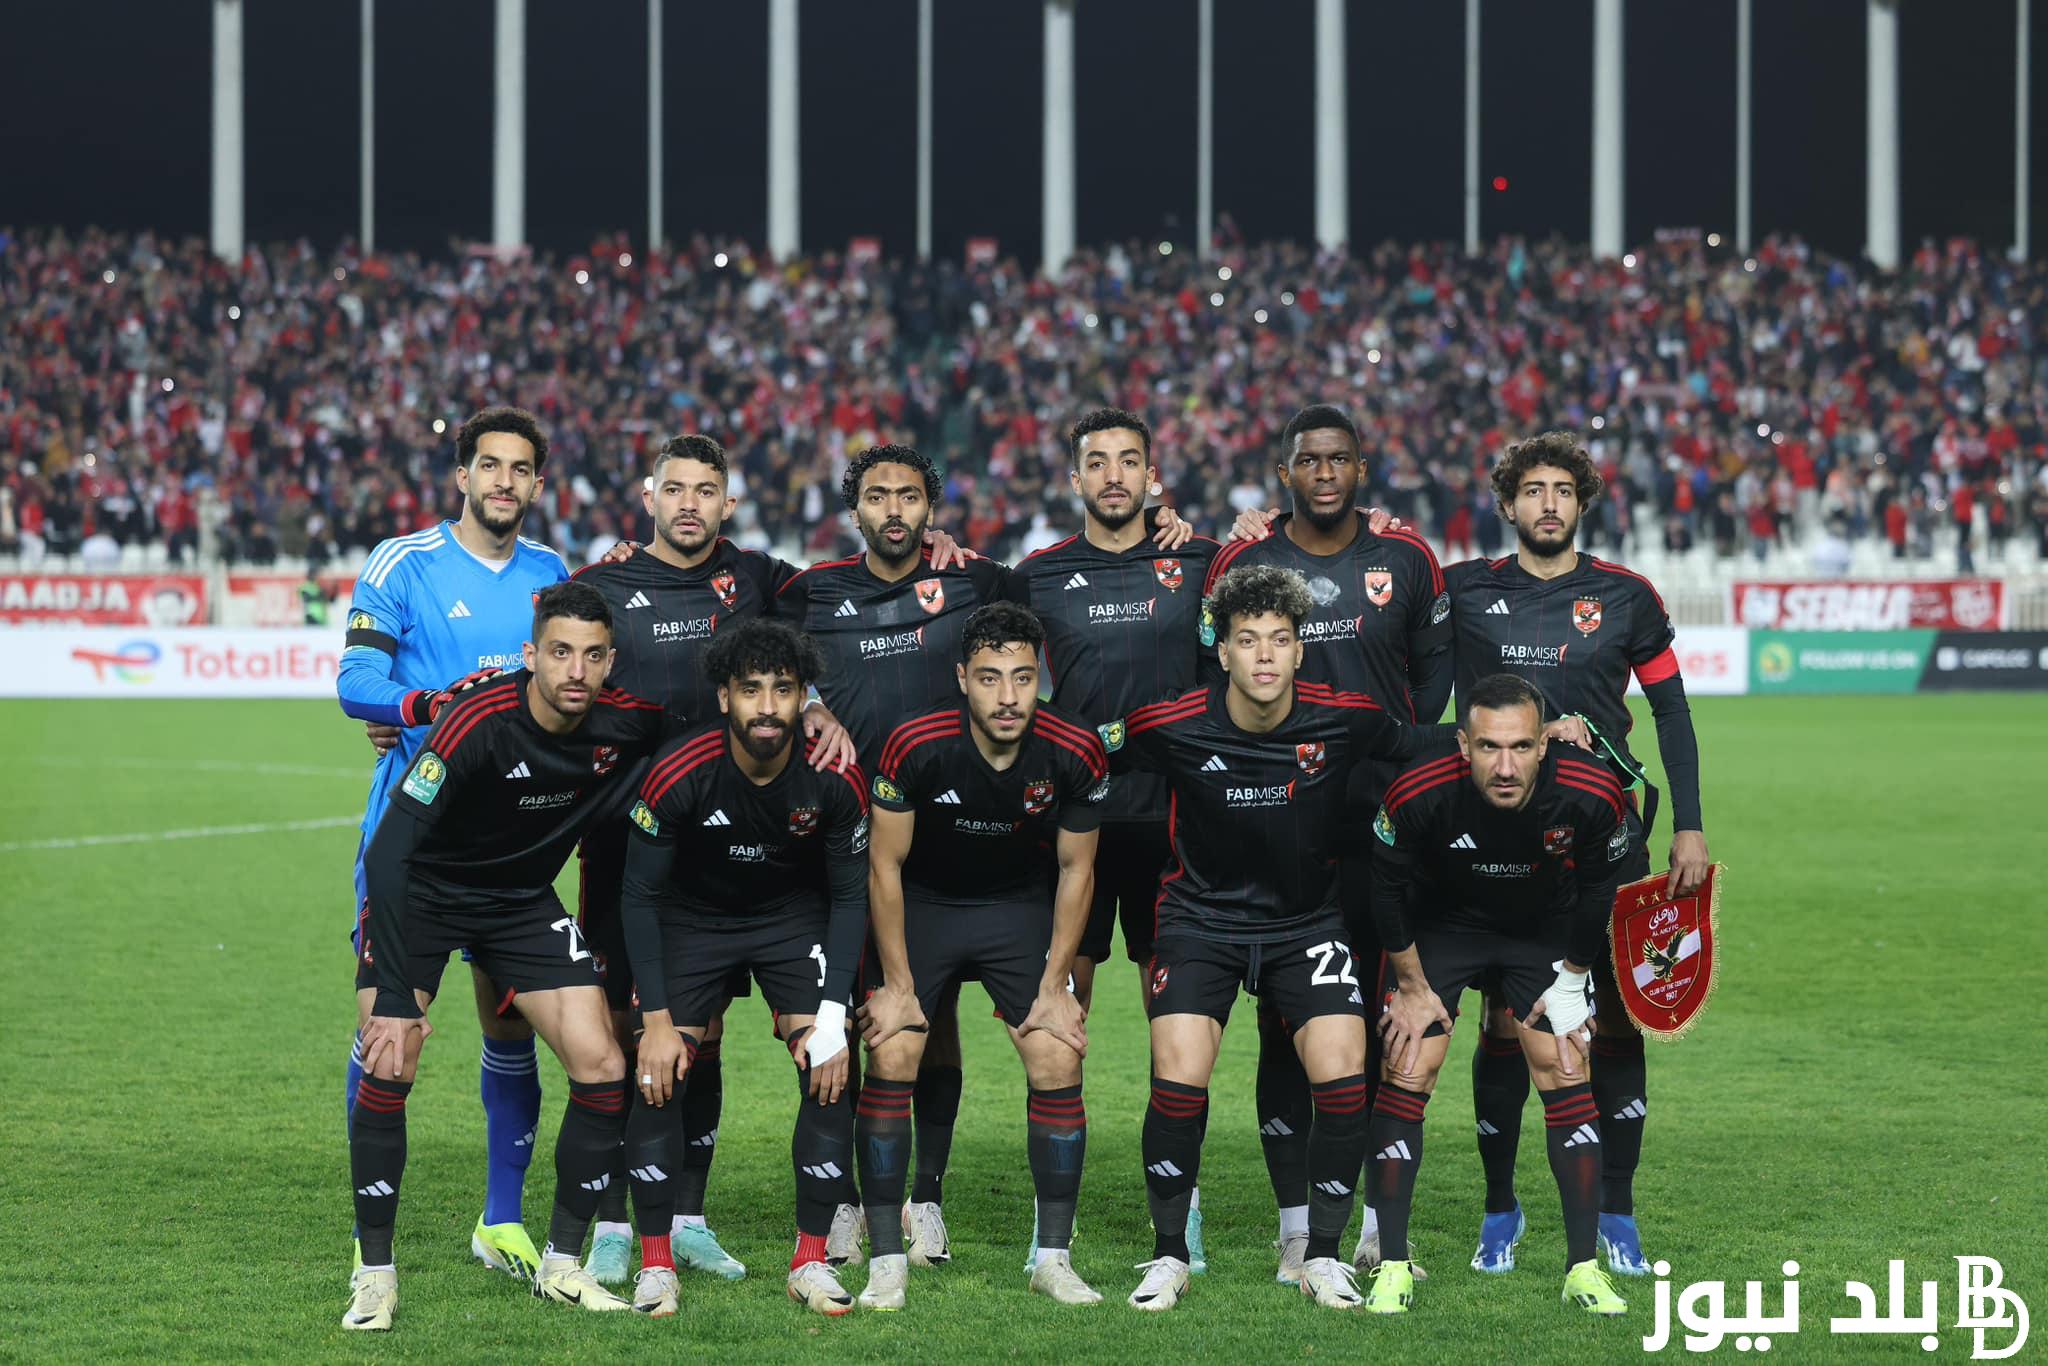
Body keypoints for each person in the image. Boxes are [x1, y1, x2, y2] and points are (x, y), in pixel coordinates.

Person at [774, 443, 1185, 1266]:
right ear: (854, 509)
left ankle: (925, 1197)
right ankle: (847, 1201)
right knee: (851, 1028)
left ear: (933, 510)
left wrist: (1169, 525)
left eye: (911, 496)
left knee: (940, 1029)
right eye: (879, 496)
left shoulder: (981, 580)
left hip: (970, 843)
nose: (895, 509)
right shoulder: (809, 590)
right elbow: (764, 653)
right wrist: (813, 705)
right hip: (849, 843)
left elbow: (1072, 590)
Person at [568, 434, 858, 1284]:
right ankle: (621, 1226)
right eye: (676, 489)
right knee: (638, 1036)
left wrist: (822, 704)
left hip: (759, 848)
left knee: (712, 1041)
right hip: (633, 844)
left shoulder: (761, 576)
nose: (690, 503)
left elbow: (846, 598)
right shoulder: (605, 585)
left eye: (708, 489)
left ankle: (686, 1218)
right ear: (648, 496)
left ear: (729, 502)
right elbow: (556, 671)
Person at [343, 582, 664, 1330]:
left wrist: (811, 710)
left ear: (610, 661)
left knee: (603, 1064)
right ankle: (376, 1273)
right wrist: (394, 994)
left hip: (518, 903)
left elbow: (710, 727)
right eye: (559, 653)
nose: (575, 671)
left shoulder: (626, 722)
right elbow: (391, 851)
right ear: (530, 655)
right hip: (423, 894)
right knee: (389, 1059)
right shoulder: (479, 720)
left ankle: (559, 1265)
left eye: (591, 656)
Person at [1445, 430, 1710, 1277]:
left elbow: (1670, 712)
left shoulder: (1625, 595)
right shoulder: (1463, 592)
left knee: (1616, 1018)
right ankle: (1499, 1207)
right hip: (1496, 841)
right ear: (1510, 504)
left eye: (1563, 489)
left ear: (1582, 503)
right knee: (1501, 1021)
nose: (1548, 503)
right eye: (1533, 490)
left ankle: (1618, 1211)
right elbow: (1368, 590)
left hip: (1607, 840)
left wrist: (1691, 826)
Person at [1201, 403, 1453, 1280]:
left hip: (1386, 832)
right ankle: (1296, 1226)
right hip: (1277, 829)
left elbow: (1432, 684)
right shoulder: (1246, 557)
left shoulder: (1406, 557)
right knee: (1284, 1032)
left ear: (1360, 467)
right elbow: (1212, 673)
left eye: (1339, 459)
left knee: (1388, 1025)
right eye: (1308, 460)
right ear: (1285, 471)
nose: (1324, 473)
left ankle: (1384, 1228)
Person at [337, 405, 569, 1283]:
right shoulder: (406, 563)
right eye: (490, 466)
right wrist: (426, 708)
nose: (504, 482)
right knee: (386, 1033)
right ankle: (370, 1241)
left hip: (514, 846)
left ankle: (501, 1222)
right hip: (414, 839)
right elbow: (358, 678)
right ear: (461, 476)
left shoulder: (552, 572)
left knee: (507, 1024)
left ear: (537, 486)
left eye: (521, 470)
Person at [1007, 408, 1222, 1269]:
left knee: (1180, 1031)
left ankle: (1183, 1209)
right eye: (1097, 462)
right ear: (1075, 479)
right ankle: (1048, 1224)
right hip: (1077, 830)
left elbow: (1288, 564)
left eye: (1129, 460)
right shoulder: (1037, 577)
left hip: (1180, 826)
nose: (1114, 475)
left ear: (1153, 475)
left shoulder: (1203, 562)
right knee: (1061, 1022)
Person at [854, 602, 1109, 1309]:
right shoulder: (915, 743)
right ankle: (885, 1263)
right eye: (991, 678)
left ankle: (1052, 1259)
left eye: (1023, 679)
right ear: (962, 677)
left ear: (1041, 678)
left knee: (1057, 1050)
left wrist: (1057, 985)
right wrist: (900, 985)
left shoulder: (1075, 747)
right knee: (896, 1049)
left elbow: (1077, 870)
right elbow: (884, 867)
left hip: (1014, 906)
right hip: (925, 903)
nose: (1007, 697)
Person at [617, 619, 872, 1317]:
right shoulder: (680, 770)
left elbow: (852, 895)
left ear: (801, 698)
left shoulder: (833, 774)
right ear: (725, 695)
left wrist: (829, 1019)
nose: (768, 707)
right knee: (659, 1073)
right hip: (690, 920)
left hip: (791, 919)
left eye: (783, 690)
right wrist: (660, 1022)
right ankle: (657, 1264)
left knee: (828, 1067)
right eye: (751, 690)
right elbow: (638, 895)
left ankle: (811, 1261)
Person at [1364, 672, 1633, 1317]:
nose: (1505, 766)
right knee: (1409, 1060)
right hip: (1444, 927)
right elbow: (1383, 889)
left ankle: (1583, 1270)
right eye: (1488, 747)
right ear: (1463, 745)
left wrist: (1572, 978)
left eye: (1519, 747)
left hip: (1542, 930)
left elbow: (1600, 890)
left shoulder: (1592, 792)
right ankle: (1392, 1265)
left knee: (1566, 1064)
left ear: (1545, 744)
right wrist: (1410, 986)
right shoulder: (1418, 792)